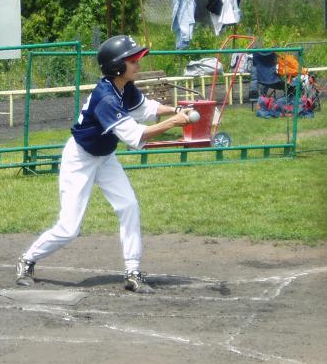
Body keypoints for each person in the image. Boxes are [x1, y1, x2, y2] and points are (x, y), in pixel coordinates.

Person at [15, 35, 194, 293]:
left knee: (129, 205)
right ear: (117, 67)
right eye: (132, 61)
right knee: (69, 228)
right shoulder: (106, 98)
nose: (138, 64)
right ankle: (27, 259)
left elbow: (146, 109)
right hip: (80, 159)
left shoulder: (124, 87)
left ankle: (132, 272)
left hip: (105, 157)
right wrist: (175, 123)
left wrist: (176, 109)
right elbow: (136, 136)